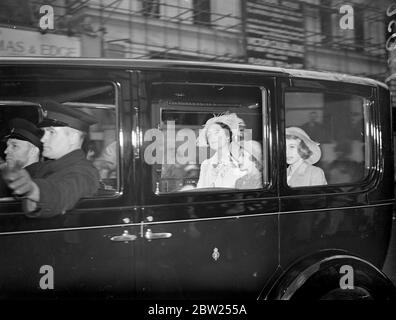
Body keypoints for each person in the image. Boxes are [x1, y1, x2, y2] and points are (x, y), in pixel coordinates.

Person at [1, 100, 100, 218]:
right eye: (44, 132)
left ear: (73, 138)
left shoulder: (84, 173)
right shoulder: (49, 166)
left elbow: (61, 193)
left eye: (51, 132)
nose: (43, 139)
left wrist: (32, 189)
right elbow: (28, 171)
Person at [196, 113, 245, 188]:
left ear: (227, 135)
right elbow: (200, 189)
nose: (212, 137)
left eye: (216, 132)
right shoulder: (206, 165)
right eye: (209, 134)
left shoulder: (241, 161)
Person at [0, 118, 43, 196]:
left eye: (14, 146)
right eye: (7, 146)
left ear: (33, 151)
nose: (6, 151)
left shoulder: (37, 181)